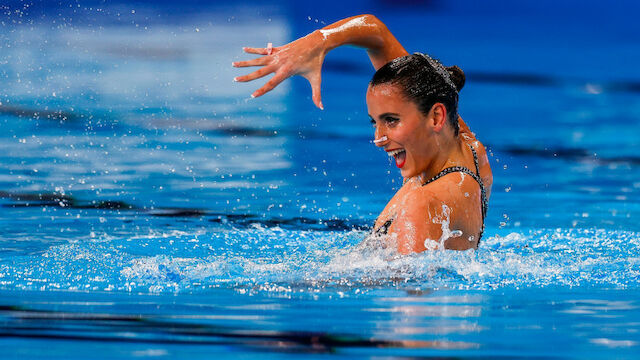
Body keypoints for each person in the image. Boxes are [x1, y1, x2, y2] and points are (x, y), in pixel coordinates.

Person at [233, 14, 492, 252]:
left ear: (436, 117)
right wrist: (318, 42)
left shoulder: (422, 204)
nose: (378, 139)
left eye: (391, 120)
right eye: (375, 122)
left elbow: (410, 293)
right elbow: (376, 33)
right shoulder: (470, 153)